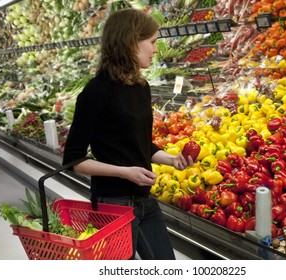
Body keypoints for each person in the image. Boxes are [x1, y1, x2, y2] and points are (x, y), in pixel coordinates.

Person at [62, 8, 194, 260]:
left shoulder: (141, 87)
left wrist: (171, 159)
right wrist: (126, 172)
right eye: (153, 42)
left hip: (144, 200)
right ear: (131, 42)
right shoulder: (95, 92)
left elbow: (140, 143)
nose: (156, 50)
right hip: (113, 204)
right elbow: (73, 160)